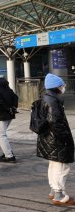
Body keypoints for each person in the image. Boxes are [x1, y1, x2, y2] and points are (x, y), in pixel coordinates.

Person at [36, 74, 75, 206]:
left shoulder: (47, 98)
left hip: (49, 138)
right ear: (55, 87)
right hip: (57, 140)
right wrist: (66, 141)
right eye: (61, 86)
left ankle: (53, 191)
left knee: (53, 165)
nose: (63, 88)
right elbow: (56, 123)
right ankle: (59, 195)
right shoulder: (52, 101)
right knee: (61, 166)